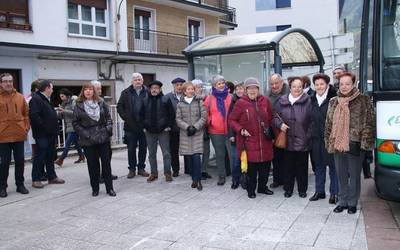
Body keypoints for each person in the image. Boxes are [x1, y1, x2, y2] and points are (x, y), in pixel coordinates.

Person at [325, 72, 375, 214]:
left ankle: (352, 203)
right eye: (341, 84)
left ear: (353, 84)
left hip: (355, 144)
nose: (344, 86)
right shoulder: (333, 101)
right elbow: (328, 124)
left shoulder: (363, 100)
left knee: (354, 175)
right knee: (340, 175)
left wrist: (365, 144)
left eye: (347, 83)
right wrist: (329, 142)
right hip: (338, 144)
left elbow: (369, 123)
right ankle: (342, 201)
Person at [229, 77, 274, 198]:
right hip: (248, 142)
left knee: (265, 167)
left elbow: (271, 117)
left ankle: (262, 187)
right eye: (249, 88)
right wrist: (241, 130)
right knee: (252, 170)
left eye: (255, 88)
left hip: (265, 142)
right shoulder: (241, 103)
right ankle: (251, 190)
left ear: (258, 89)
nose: (252, 90)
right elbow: (232, 120)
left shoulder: (265, 101)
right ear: (245, 90)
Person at [72, 84, 116, 197]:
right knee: (92, 165)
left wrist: (107, 130)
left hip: (103, 137)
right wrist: (85, 134)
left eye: (90, 89)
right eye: (86, 89)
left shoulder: (101, 102)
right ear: (83, 91)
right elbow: (75, 123)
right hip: (88, 139)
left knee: (106, 164)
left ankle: (109, 188)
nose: (88, 91)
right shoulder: (78, 105)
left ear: (94, 91)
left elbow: (109, 119)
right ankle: (95, 188)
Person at [273, 77, 312, 198]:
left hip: (303, 141)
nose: (297, 89)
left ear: (303, 87)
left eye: (299, 86)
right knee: (288, 167)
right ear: (290, 87)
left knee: (302, 168)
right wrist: (280, 125)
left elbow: (313, 121)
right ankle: (288, 189)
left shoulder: (309, 101)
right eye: (294, 86)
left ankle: (302, 190)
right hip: (287, 140)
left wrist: (307, 136)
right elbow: (274, 117)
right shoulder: (282, 101)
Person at [29, 80, 65, 188]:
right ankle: (36, 179)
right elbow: (35, 116)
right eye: (52, 88)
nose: (53, 90)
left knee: (50, 156)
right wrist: (45, 128)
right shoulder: (36, 99)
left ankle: (52, 177)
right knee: (40, 156)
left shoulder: (45, 99)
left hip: (50, 133)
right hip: (42, 134)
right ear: (47, 88)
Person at [308, 74, 338, 204]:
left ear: (327, 84)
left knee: (333, 167)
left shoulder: (334, 99)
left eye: (322, 84)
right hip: (316, 139)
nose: (319, 86)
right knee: (319, 166)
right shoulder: (311, 100)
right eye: (317, 84)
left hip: (331, 139)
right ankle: (319, 191)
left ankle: (334, 193)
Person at [0, 73, 30, 197]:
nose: (8, 83)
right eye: (5, 81)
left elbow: (26, 114)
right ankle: (2, 187)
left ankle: (20, 185)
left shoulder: (20, 97)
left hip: (19, 134)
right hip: (3, 136)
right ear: (1, 83)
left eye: (10, 81)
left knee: (20, 161)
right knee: (4, 163)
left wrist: (25, 128)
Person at [117, 73, 149, 179]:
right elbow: (120, 106)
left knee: (143, 148)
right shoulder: (126, 92)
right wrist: (126, 118)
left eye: (139, 79)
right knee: (131, 149)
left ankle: (141, 168)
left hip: (144, 126)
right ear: (132, 82)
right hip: (130, 126)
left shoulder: (147, 92)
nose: (137, 81)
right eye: (135, 80)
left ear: (142, 81)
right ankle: (131, 169)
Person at [176, 82, 207, 190]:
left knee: (197, 156)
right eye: (188, 89)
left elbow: (204, 117)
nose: (191, 91)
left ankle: (197, 180)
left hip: (197, 133)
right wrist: (187, 127)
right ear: (184, 91)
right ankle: (193, 178)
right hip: (186, 134)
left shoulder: (199, 101)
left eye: (192, 89)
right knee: (189, 157)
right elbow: (178, 119)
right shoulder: (180, 104)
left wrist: (195, 127)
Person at [141, 80, 174, 182]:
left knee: (166, 153)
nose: (154, 90)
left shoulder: (165, 99)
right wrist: (144, 127)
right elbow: (140, 115)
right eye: (152, 88)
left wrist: (168, 126)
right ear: (150, 90)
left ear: (160, 89)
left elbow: (171, 114)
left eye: (156, 88)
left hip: (163, 131)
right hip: (150, 131)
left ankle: (167, 173)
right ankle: (154, 173)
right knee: (151, 154)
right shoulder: (145, 100)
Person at [204, 75, 233, 186]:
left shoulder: (231, 97)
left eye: (222, 83)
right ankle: (222, 176)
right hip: (215, 132)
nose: (221, 85)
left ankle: (237, 176)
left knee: (232, 155)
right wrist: (211, 121)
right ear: (214, 86)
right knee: (220, 155)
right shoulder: (210, 98)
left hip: (230, 131)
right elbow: (205, 113)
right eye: (218, 83)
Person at [91, 80, 118, 182]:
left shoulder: (102, 101)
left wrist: (109, 128)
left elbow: (108, 117)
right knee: (95, 156)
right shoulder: (86, 102)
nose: (100, 90)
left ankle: (106, 174)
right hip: (92, 134)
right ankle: (96, 176)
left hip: (104, 133)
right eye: (98, 89)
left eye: (100, 88)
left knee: (107, 155)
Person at [267, 74, 289, 189]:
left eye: (276, 83)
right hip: (273, 131)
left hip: (287, 129)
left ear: (282, 82)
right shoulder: (267, 96)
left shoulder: (289, 93)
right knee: (276, 157)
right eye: (272, 84)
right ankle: (277, 179)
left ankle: (287, 180)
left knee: (287, 157)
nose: (274, 86)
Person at [165, 77, 191, 177]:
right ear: (174, 86)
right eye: (177, 85)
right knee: (174, 150)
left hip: (186, 128)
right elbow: (166, 113)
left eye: (181, 85)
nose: (179, 87)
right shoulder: (168, 97)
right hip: (174, 128)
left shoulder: (188, 96)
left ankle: (188, 169)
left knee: (188, 149)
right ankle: (175, 169)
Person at [54, 88, 85, 166]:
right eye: (60, 97)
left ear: (67, 96)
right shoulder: (63, 103)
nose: (61, 98)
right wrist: (59, 112)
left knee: (67, 143)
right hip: (68, 125)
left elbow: (75, 113)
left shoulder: (73, 101)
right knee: (76, 142)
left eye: (62, 96)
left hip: (74, 125)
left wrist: (64, 111)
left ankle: (61, 159)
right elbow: (61, 117)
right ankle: (81, 156)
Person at [192, 79, 212, 180]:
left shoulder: (206, 98)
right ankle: (196, 172)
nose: (199, 89)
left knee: (206, 151)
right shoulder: (190, 99)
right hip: (195, 129)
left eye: (200, 87)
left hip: (205, 129)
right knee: (196, 152)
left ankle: (204, 170)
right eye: (197, 87)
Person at [228, 82, 245, 189]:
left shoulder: (250, 101)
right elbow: (229, 120)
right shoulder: (233, 102)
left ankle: (244, 180)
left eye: (241, 89)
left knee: (246, 160)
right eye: (237, 89)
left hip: (247, 136)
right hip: (235, 135)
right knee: (236, 161)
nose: (239, 91)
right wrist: (231, 134)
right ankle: (235, 180)